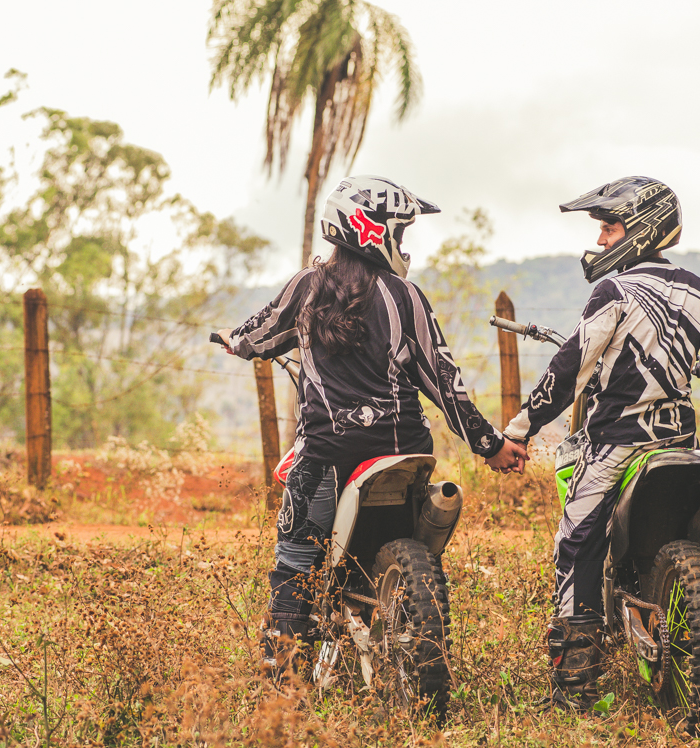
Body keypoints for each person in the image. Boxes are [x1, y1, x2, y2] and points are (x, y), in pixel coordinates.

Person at [220, 175, 526, 678]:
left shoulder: (306, 286)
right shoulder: (407, 297)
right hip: (405, 452)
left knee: (294, 566)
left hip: (326, 455)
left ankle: (283, 690)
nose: (403, 244)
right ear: (371, 230)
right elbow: (445, 383)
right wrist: (489, 444)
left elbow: (258, 333)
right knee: (424, 551)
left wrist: (234, 340)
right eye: (399, 233)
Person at [502, 176, 700, 711]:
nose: (599, 240)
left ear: (639, 230)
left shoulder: (613, 292)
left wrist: (520, 427)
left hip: (617, 443)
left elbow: (570, 368)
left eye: (609, 226)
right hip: (682, 447)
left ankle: (575, 683)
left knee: (575, 545)